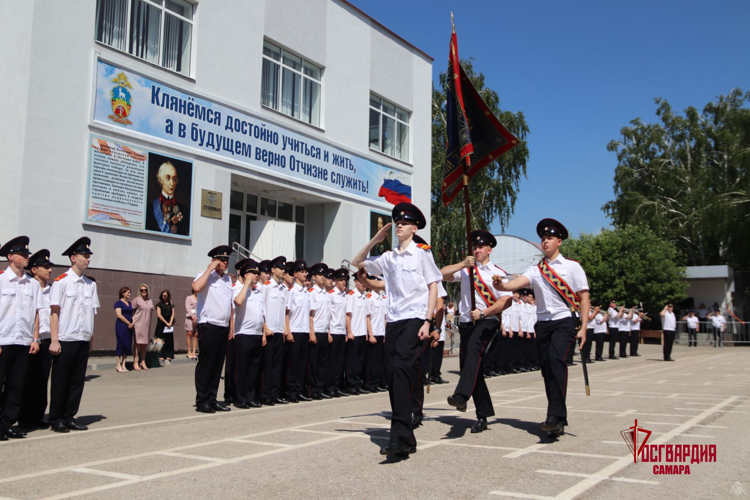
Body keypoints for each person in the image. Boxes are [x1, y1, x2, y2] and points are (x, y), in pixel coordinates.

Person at [353, 202, 441, 456]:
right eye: (396, 222)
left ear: (414, 228)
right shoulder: (388, 258)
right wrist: (375, 239)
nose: (399, 225)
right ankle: (407, 438)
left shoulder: (422, 253)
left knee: (402, 367)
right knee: (393, 375)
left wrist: (428, 320)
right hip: (393, 321)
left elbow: (433, 286)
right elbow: (357, 261)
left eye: (404, 223)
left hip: (415, 318)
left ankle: (400, 435)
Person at [493, 219, 590, 436]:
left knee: (556, 360)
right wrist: (502, 286)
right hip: (543, 324)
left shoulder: (572, 267)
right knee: (547, 369)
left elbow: (584, 299)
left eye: (549, 238)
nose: (545, 241)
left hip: (564, 321)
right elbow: (515, 283)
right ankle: (557, 418)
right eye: (543, 238)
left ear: (559, 242)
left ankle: (554, 416)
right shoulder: (536, 270)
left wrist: (583, 327)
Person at [441, 230, 511, 434]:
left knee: (473, 351)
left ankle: (461, 395)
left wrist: (484, 312)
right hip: (466, 322)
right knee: (471, 368)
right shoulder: (465, 270)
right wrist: (463, 264)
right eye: (475, 247)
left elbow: (506, 300)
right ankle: (483, 414)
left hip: (487, 321)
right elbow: (441, 274)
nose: (477, 250)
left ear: (490, 249)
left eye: (481, 247)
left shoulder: (496, 273)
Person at [49, 236, 100, 433]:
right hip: (65, 339)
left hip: (82, 339)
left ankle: (70, 416)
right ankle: (57, 418)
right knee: (61, 380)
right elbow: (54, 314)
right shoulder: (61, 282)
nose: (88, 259)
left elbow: (92, 314)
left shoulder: (90, 285)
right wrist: (54, 340)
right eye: (84, 256)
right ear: (73, 258)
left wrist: (90, 339)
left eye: (88, 256)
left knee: (77, 381)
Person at [0, 236, 43, 439]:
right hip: (3, 341)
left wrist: (35, 339)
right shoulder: (0, 279)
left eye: (27, 254)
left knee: (16, 386)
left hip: (23, 341)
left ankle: (7, 423)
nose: (27, 257)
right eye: (23, 254)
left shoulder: (32, 284)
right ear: (10, 256)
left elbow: (36, 312)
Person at [192, 245, 234, 413]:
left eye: (226, 260)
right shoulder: (205, 275)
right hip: (209, 326)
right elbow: (195, 288)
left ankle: (212, 398)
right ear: (214, 260)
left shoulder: (228, 280)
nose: (225, 262)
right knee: (206, 364)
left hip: (223, 327)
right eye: (221, 259)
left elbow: (229, 305)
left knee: (217, 365)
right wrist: (210, 269)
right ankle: (202, 400)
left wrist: (231, 325)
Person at [18, 249, 55, 429]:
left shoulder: (53, 290)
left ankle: (37, 416)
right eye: (45, 267)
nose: (49, 270)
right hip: (29, 340)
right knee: (25, 379)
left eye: (50, 267)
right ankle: (23, 417)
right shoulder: (27, 286)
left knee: (41, 379)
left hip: (47, 340)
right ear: (34, 269)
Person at [232, 259, 265, 408]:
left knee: (254, 369)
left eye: (258, 273)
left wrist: (263, 333)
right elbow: (238, 302)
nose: (256, 275)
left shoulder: (258, 291)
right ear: (245, 275)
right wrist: (246, 284)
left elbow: (262, 314)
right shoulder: (239, 289)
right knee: (242, 369)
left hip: (257, 333)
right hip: (243, 333)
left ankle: (251, 397)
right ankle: (240, 398)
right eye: (253, 273)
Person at [261, 256, 289, 406]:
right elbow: (262, 308)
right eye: (280, 268)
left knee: (278, 364)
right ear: (273, 270)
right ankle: (265, 394)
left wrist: (285, 328)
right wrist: (265, 328)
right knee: (268, 365)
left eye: (284, 269)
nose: (283, 271)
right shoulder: (266, 286)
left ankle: (275, 393)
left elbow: (284, 311)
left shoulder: (283, 288)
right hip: (269, 330)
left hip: (279, 331)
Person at [285, 259, 313, 403]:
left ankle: (299, 389)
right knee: (293, 364)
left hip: (304, 331)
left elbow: (309, 314)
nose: (305, 274)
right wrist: (288, 331)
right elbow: (287, 313)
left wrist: (311, 332)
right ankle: (291, 391)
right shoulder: (292, 292)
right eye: (301, 272)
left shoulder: (306, 292)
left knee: (302, 363)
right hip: (295, 330)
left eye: (305, 271)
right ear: (295, 274)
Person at [145, 160, 190, 235]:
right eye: (168, 178)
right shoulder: (150, 208)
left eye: (174, 179)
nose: (172, 183)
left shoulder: (184, 210)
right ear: (160, 179)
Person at [308, 263, 332, 400]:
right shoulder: (312, 293)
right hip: (316, 330)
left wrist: (328, 332)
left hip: (324, 331)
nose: (323, 278)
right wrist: (312, 332)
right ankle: (312, 389)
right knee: (314, 363)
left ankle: (320, 388)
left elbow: (327, 316)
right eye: (320, 275)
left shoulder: (326, 294)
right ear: (314, 277)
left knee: (323, 363)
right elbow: (311, 314)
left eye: (324, 275)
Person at [345, 273, 370, 395]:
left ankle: (356, 383)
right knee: (352, 361)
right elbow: (348, 316)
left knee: (360, 361)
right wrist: (349, 331)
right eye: (361, 282)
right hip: (354, 333)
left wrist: (366, 332)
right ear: (355, 282)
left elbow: (366, 317)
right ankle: (350, 385)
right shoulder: (352, 296)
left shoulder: (364, 297)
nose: (363, 284)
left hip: (361, 333)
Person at [327, 268, 350, 397]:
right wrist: (329, 331)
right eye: (341, 280)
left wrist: (346, 332)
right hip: (334, 331)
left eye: (345, 280)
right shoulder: (331, 294)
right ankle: (330, 387)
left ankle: (337, 386)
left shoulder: (344, 295)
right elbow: (328, 314)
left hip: (342, 331)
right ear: (335, 281)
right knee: (332, 361)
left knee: (340, 361)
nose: (343, 282)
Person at [365, 278, 388, 392]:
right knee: (372, 361)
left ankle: (380, 382)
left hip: (381, 332)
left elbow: (384, 317)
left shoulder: (382, 299)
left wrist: (384, 333)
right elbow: (368, 318)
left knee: (380, 360)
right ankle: (371, 383)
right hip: (373, 332)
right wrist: (371, 334)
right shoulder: (370, 298)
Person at [131, 284, 154, 371]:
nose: (143, 291)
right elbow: (131, 310)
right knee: (137, 343)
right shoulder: (136, 300)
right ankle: (135, 361)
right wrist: (132, 321)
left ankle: (143, 361)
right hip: (138, 323)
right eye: (142, 290)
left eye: (145, 290)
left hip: (146, 324)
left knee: (144, 343)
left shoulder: (150, 300)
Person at [113, 287, 134, 373]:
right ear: (123, 293)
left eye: (130, 293)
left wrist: (133, 323)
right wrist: (128, 323)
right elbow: (119, 315)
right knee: (121, 343)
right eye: (128, 292)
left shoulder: (129, 303)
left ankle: (123, 364)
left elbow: (132, 314)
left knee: (127, 344)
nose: (129, 294)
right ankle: (118, 365)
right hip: (122, 326)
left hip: (130, 326)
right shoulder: (118, 303)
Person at [155, 290, 175, 362]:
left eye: (165, 296)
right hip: (162, 323)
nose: (163, 297)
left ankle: (169, 354)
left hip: (169, 323)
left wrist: (170, 322)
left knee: (169, 339)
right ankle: (161, 355)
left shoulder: (171, 304)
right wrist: (166, 323)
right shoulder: (159, 304)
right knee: (161, 339)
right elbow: (159, 315)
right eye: (162, 295)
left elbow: (172, 314)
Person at [185, 292, 198, 360]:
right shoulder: (189, 297)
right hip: (190, 318)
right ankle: (189, 351)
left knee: (196, 335)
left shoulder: (201, 298)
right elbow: (187, 308)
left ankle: (194, 352)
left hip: (198, 318)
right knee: (189, 333)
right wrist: (192, 316)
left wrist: (197, 317)